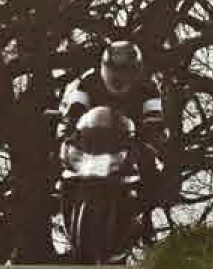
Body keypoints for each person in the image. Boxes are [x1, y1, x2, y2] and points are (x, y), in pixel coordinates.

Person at [57, 40, 170, 251]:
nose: (119, 78)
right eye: (114, 71)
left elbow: (154, 114)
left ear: (136, 71)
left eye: (125, 72)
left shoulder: (148, 86)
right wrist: (66, 127)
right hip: (91, 144)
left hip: (128, 144)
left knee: (151, 163)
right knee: (57, 158)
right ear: (104, 68)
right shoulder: (89, 82)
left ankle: (145, 218)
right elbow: (75, 108)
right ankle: (53, 198)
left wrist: (153, 129)